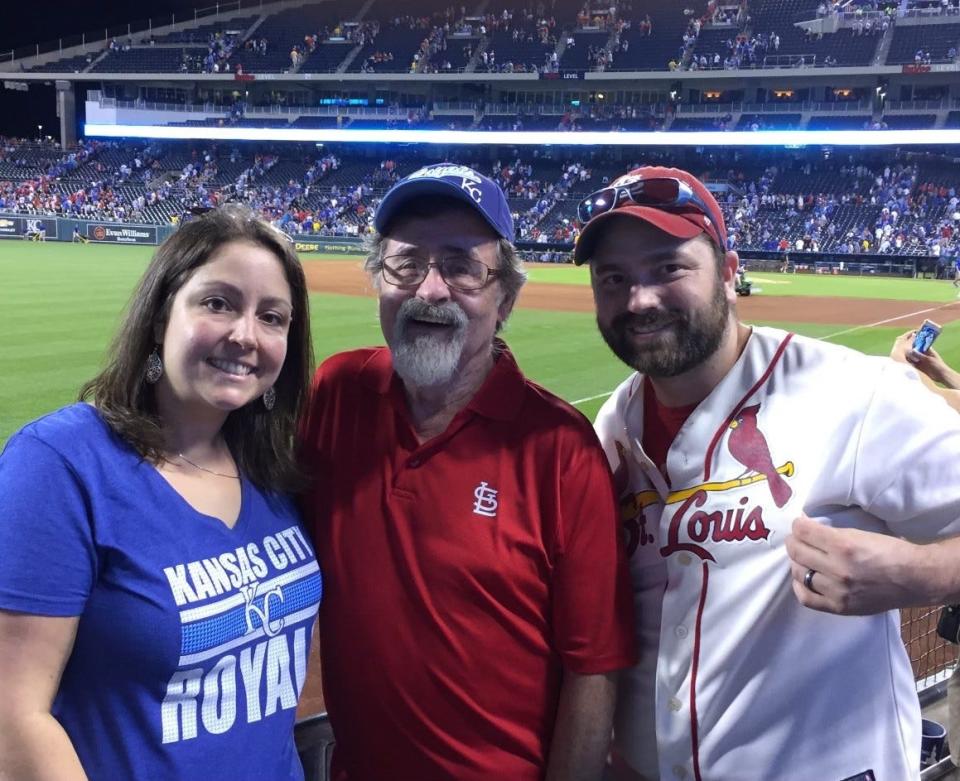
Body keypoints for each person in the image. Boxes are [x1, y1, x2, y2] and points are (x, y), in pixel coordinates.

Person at [572, 165, 960, 781]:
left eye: (669, 268)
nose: (639, 300)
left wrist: (923, 573)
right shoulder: (612, 428)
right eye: (613, 278)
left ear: (729, 274)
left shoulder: (853, 395)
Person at [299, 163, 636, 781]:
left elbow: (593, 672)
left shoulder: (560, 449)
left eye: (460, 266)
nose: (430, 290)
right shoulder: (337, 393)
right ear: (379, 280)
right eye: (406, 264)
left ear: (504, 295)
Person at [0, 205, 321, 781]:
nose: (245, 334)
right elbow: (11, 715)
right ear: (160, 316)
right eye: (218, 303)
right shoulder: (60, 464)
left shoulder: (272, 466)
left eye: (272, 317)